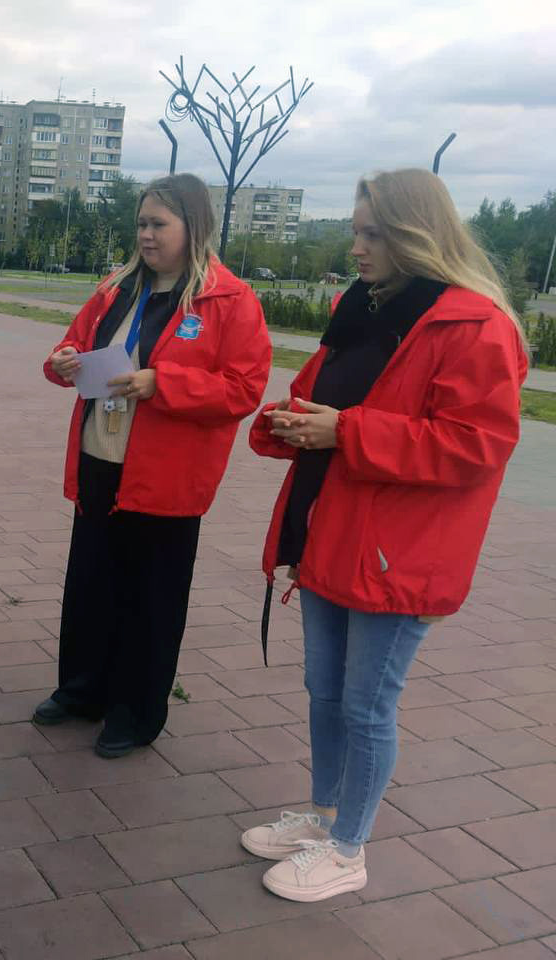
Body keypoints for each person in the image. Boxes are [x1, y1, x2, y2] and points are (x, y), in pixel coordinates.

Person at [243, 169, 528, 903]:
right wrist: (292, 420)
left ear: (413, 234)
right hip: (330, 534)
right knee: (324, 691)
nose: (357, 244)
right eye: (356, 229)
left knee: (367, 703)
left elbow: (475, 446)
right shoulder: (364, 309)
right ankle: (325, 814)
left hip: (398, 553)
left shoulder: (474, 324)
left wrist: (346, 431)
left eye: (372, 232)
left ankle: (348, 848)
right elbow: (325, 397)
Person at [33, 173, 272, 757]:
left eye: (158, 224)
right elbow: (70, 348)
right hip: (101, 459)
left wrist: (163, 384)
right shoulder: (116, 289)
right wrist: (62, 361)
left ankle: (135, 713)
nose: (145, 234)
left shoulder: (229, 301)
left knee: (151, 599)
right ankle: (82, 691)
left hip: (166, 479)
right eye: (141, 223)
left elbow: (244, 389)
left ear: (195, 227)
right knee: (91, 584)